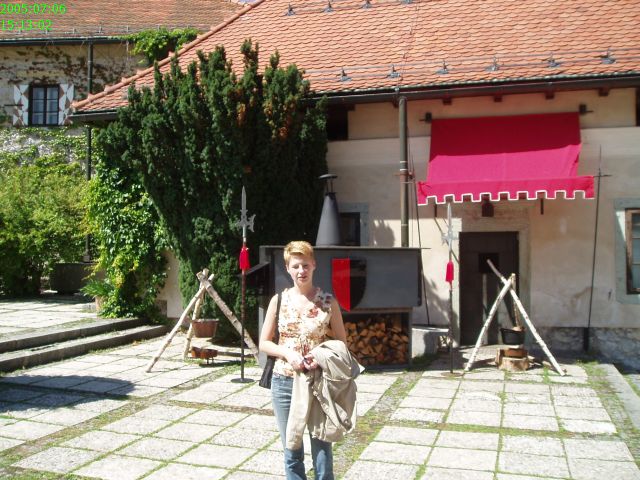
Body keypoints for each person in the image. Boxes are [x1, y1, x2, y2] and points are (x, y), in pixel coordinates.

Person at [259, 240, 347, 480]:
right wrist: (287, 353)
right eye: (296, 266)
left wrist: (321, 358)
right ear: (288, 268)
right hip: (284, 382)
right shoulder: (278, 300)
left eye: (305, 265)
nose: (301, 271)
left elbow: (342, 345)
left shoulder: (328, 302)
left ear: (314, 265)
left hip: (318, 382)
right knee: (291, 447)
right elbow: (264, 343)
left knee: (322, 445)